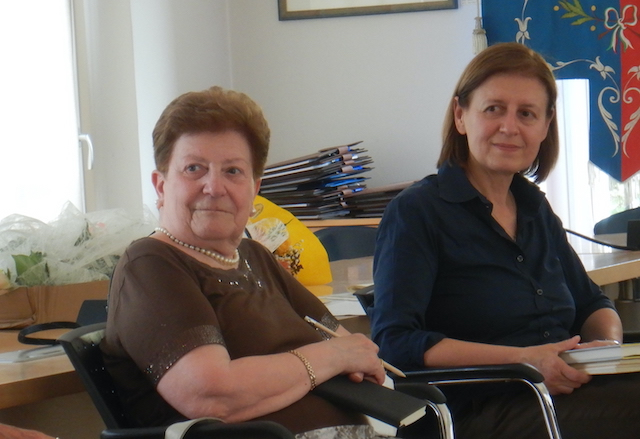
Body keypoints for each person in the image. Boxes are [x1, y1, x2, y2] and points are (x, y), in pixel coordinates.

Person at [370, 42, 640, 439]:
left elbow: (592, 303)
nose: (510, 127)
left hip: (562, 394)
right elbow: (395, 342)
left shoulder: (534, 208)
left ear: (545, 126)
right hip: (475, 410)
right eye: (494, 109)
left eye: (526, 113)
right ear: (461, 116)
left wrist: (605, 350)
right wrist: (525, 360)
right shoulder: (417, 211)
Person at [100, 86, 391, 439]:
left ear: (254, 189)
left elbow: (350, 348)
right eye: (194, 168)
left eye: (233, 171)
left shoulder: (255, 257)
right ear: (161, 186)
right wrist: (332, 359)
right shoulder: (151, 265)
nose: (214, 187)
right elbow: (212, 395)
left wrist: (343, 356)